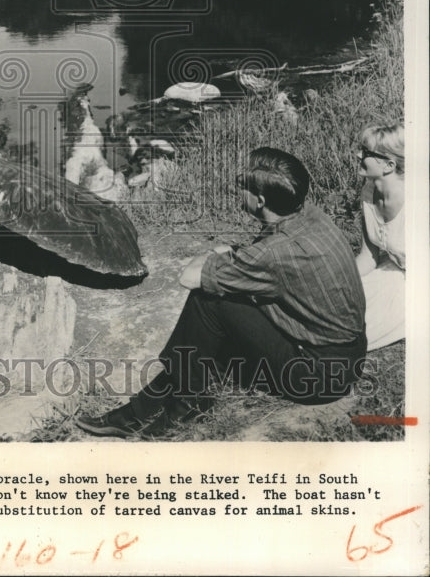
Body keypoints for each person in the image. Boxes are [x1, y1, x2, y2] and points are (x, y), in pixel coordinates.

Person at [76, 147, 367, 438]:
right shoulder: (310, 215)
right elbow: (262, 259)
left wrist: (215, 253)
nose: (237, 191)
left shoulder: (276, 252)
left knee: (208, 301)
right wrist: (231, 256)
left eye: (243, 187)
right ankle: (147, 407)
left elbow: (190, 277)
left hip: (317, 378)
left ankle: (186, 404)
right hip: (348, 361)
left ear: (260, 200)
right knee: (211, 324)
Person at [355, 123, 405, 349]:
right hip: (392, 270)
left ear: (389, 165)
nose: (359, 155)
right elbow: (368, 258)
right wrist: (338, 279)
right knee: (342, 299)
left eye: (366, 152)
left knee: (362, 325)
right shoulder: (368, 192)